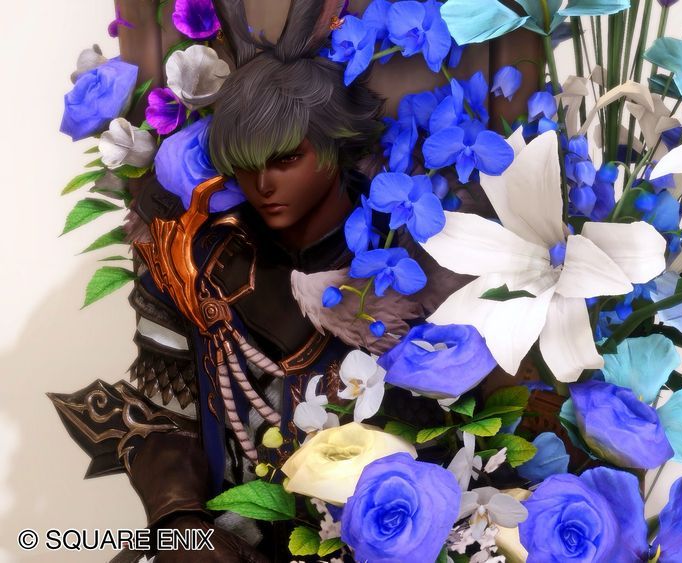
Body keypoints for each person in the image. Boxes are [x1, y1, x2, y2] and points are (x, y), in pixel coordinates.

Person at [48, 0, 536, 560]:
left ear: (334, 144)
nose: (263, 184)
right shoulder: (193, 257)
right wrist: (179, 521)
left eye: (285, 159)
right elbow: (157, 417)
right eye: (246, 163)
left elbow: (471, 432)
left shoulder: (418, 253)